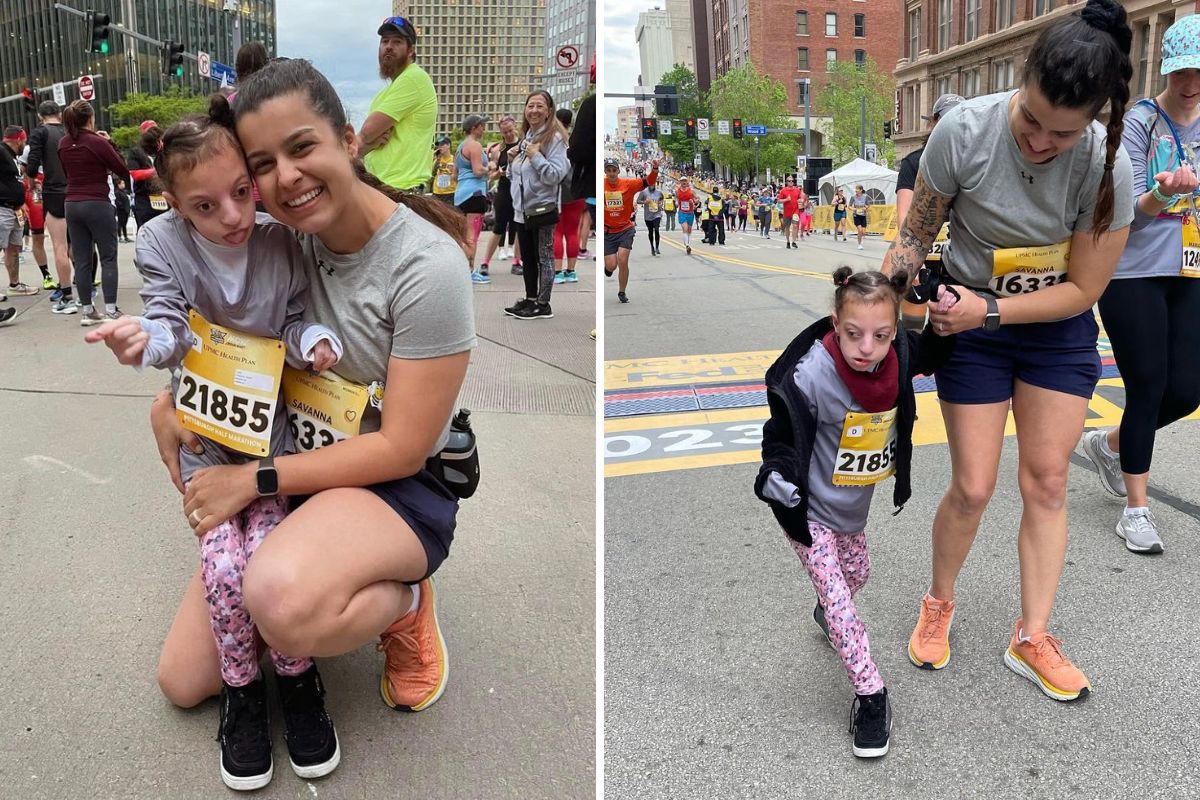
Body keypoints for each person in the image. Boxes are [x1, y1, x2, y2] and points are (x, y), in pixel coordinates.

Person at [145, 60, 472, 763]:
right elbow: (215, 341)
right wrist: (167, 404)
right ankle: (287, 565)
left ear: (348, 140)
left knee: (284, 605)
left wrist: (253, 480)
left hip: (390, 483)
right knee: (184, 680)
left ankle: (407, 607)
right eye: (263, 164)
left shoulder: (426, 267)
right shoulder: (273, 237)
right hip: (289, 461)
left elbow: (404, 449)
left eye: (302, 147)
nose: (285, 177)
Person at [883, 0, 1134, 702]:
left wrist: (991, 310)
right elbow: (916, 235)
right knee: (972, 486)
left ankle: (1032, 634)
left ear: (1093, 121)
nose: (1040, 144)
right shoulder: (963, 131)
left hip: (1050, 326)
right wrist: (889, 290)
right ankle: (939, 601)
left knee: (1048, 482)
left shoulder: (1111, 169)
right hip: (966, 322)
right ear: (1020, 82)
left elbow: (1084, 289)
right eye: (1031, 121)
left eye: (1063, 132)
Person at [86, 110, 344, 791]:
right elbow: (167, 324)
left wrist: (312, 340)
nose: (231, 215)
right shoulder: (165, 245)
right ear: (172, 202)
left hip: (270, 445)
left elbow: (293, 318)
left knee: (266, 558)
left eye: (240, 192)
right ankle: (244, 691)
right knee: (227, 566)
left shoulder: (278, 241)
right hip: (207, 449)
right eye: (204, 205)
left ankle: (295, 676)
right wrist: (145, 340)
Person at [755, 268, 954, 758]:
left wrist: (944, 309)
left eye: (881, 336)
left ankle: (828, 613)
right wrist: (777, 476)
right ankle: (871, 696)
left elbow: (932, 347)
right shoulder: (812, 375)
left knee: (857, 574)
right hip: (807, 511)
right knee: (844, 605)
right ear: (835, 322)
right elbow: (780, 436)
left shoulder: (897, 357)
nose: (867, 347)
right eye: (853, 334)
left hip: (851, 510)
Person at [1079, 14, 1200, 554]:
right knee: (1147, 385)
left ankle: (1110, 444)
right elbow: (1123, 210)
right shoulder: (1139, 122)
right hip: (1131, 272)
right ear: (1166, 70)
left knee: (1187, 391)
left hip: (1189, 271)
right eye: (1182, 74)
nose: (1191, 85)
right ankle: (1136, 509)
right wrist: (1164, 193)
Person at [895, 94, 965, 330]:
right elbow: (904, 216)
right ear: (934, 121)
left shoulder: (972, 162)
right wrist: (912, 261)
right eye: (947, 121)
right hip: (925, 258)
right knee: (912, 332)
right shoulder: (913, 162)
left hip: (959, 264)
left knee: (948, 336)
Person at [58, 100, 129, 326]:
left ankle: (88, 311)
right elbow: (121, 169)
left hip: (72, 203)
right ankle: (110, 309)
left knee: (81, 258)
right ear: (90, 118)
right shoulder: (97, 142)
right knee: (108, 257)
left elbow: (66, 171)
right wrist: (111, 143)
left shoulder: (63, 143)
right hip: (97, 202)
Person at [504, 91, 569, 319]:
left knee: (544, 257)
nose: (534, 110)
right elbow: (516, 177)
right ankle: (530, 299)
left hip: (541, 208)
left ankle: (543, 304)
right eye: (530, 105)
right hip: (522, 209)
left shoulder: (554, 139)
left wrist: (536, 156)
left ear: (549, 111)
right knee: (528, 258)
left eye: (539, 106)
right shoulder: (528, 136)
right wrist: (512, 162)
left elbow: (556, 174)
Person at [358, 16, 438, 192]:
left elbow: (366, 133)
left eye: (397, 42)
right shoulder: (385, 93)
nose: (388, 46)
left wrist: (363, 144)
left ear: (411, 50)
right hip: (385, 189)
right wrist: (365, 145)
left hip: (402, 190)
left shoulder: (414, 78)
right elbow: (364, 143)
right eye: (385, 41)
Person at [26, 101, 72, 309]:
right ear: (60, 114)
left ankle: (67, 295)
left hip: (54, 192)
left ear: (40, 115)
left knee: (59, 246)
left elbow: (33, 163)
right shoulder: (71, 130)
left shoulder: (40, 133)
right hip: (77, 191)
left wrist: (31, 180)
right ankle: (88, 287)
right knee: (79, 245)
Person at [603, 157, 658, 302]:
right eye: (608, 171)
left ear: (618, 171)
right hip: (607, 232)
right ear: (605, 172)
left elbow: (648, 181)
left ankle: (622, 292)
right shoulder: (600, 185)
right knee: (611, 265)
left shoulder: (628, 184)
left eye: (614, 170)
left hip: (625, 229)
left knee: (622, 259)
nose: (611, 173)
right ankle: (608, 268)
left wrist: (655, 170)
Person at [479, 116, 522, 275]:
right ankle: (485, 263)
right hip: (504, 190)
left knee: (518, 227)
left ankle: (517, 262)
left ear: (515, 127)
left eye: (510, 131)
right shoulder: (498, 150)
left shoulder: (523, 145)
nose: (509, 134)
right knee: (499, 227)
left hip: (520, 190)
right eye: (505, 132)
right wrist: (499, 172)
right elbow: (492, 176)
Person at [0, 127, 36, 300]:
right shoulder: (1, 151)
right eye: (24, 141)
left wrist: (21, 202)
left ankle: (14, 284)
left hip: (14, 209)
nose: (25, 144)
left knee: (13, 248)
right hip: (2, 208)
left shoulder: (12, 157)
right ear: (19, 139)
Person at [454, 114, 490, 280]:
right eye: (482, 126)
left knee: (463, 234)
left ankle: (462, 269)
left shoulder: (460, 147)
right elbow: (477, 170)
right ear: (474, 128)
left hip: (461, 193)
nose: (484, 129)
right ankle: (469, 271)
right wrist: (489, 167)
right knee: (472, 235)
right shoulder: (474, 146)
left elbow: (455, 175)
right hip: (475, 194)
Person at [551, 106, 584, 284]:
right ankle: (571, 271)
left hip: (557, 191)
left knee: (557, 232)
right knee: (572, 231)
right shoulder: (575, 140)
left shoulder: (553, 140)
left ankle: (557, 272)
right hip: (576, 191)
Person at [127, 121, 171, 234]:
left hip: (164, 196)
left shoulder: (165, 150)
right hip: (145, 198)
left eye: (155, 130)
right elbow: (134, 174)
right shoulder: (135, 152)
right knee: (147, 231)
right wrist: (155, 172)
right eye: (150, 131)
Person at [636, 182, 664, 256]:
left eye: (653, 183)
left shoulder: (659, 193)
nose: (652, 185)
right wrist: (645, 202)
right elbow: (638, 201)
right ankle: (652, 247)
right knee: (650, 231)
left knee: (657, 229)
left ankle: (657, 248)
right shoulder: (644, 192)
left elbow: (661, 200)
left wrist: (661, 203)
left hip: (657, 214)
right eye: (651, 183)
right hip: (648, 215)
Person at [430, 134, 457, 205]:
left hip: (450, 193)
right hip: (437, 192)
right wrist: (437, 160)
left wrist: (452, 171)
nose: (440, 147)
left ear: (448, 145)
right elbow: (431, 174)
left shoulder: (454, 159)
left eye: (442, 145)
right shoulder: (436, 159)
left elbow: (457, 177)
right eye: (438, 145)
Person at [674, 175, 696, 255]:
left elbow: (697, 199)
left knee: (689, 230)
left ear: (687, 182)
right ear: (680, 182)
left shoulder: (691, 191)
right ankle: (687, 245)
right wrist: (676, 202)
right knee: (685, 228)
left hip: (690, 212)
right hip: (682, 212)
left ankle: (687, 243)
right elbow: (676, 198)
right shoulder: (677, 191)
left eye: (685, 181)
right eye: (682, 181)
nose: (683, 182)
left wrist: (693, 201)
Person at [778, 176, 801, 248]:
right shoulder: (783, 190)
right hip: (787, 212)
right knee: (787, 227)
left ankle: (793, 241)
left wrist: (801, 200)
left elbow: (800, 198)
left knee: (795, 225)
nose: (791, 182)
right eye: (789, 181)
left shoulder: (797, 190)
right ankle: (788, 241)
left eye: (792, 181)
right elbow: (779, 201)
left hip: (795, 210)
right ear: (786, 182)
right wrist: (786, 199)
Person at [850, 185, 870, 249]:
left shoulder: (865, 197)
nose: (856, 190)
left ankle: (861, 239)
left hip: (863, 215)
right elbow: (849, 206)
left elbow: (868, 205)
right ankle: (859, 244)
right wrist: (853, 209)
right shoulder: (853, 197)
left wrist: (865, 208)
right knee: (860, 230)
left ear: (861, 190)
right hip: (856, 215)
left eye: (857, 189)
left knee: (863, 232)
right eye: (856, 189)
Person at [113, 178, 131, 243]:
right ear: (118, 185)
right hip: (121, 211)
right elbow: (117, 202)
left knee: (124, 224)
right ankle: (120, 237)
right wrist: (123, 208)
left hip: (126, 210)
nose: (124, 185)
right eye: (122, 183)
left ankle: (126, 236)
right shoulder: (117, 192)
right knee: (120, 224)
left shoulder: (124, 192)